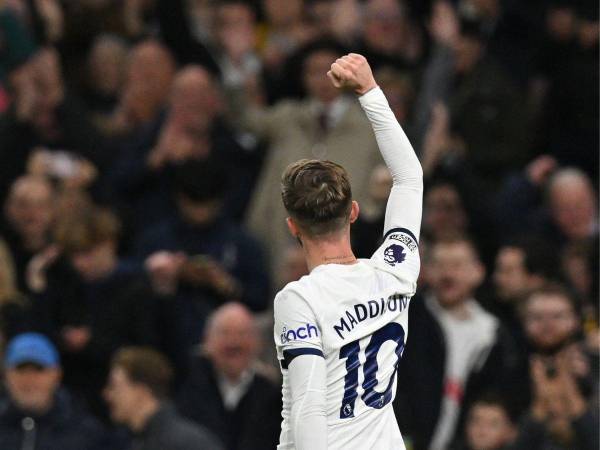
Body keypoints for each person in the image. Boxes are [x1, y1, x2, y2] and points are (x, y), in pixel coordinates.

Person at [273, 53, 422, 449]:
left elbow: (308, 409)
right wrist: (369, 91)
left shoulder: (300, 299)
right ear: (353, 212)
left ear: (293, 227)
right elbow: (409, 179)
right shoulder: (395, 270)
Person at [177, 303, 281, 450]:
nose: (234, 342)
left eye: (242, 334)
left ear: (258, 343)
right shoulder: (185, 382)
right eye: (225, 333)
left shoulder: (272, 395)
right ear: (207, 341)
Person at [0, 332, 111, 450]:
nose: (29, 380)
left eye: (39, 370)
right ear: (5, 375)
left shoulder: (86, 433)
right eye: (21, 370)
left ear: (57, 375)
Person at [104, 346, 224, 450]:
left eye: (115, 386)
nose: (107, 395)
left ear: (141, 390)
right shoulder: (142, 442)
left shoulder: (187, 444)